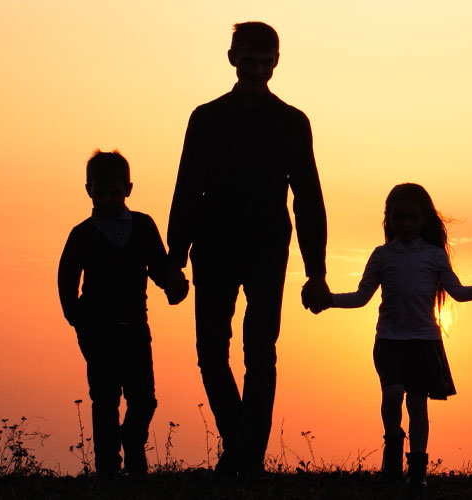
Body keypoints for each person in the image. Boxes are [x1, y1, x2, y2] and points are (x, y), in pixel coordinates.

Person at [166, 21, 329, 478]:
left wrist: (315, 271)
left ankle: (245, 457)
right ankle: (242, 448)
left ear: (276, 62)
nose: (257, 68)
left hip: (266, 248)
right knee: (211, 353)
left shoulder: (292, 122)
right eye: (249, 59)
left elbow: (309, 199)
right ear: (232, 58)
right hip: (213, 246)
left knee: (261, 351)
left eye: (265, 60)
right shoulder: (206, 117)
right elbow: (186, 188)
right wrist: (174, 259)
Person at [306, 183, 472, 499]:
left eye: (412, 218)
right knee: (391, 395)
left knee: (416, 404)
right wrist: (328, 299)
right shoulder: (381, 255)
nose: (405, 224)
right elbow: (361, 297)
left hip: (424, 342)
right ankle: (392, 444)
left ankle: (417, 474)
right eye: (398, 218)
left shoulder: (434, 256)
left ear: (424, 220)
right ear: (389, 220)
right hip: (389, 341)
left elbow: (459, 292)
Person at [58, 150, 188, 478]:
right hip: (97, 330)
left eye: (113, 193)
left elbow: (159, 269)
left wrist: (176, 286)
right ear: (88, 191)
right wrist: (77, 317)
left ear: (128, 189)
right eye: (99, 193)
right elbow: (66, 277)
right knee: (104, 400)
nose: (106, 200)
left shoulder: (143, 227)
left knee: (144, 399)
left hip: (135, 327)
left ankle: (131, 443)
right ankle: (108, 469)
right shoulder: (82, 234)